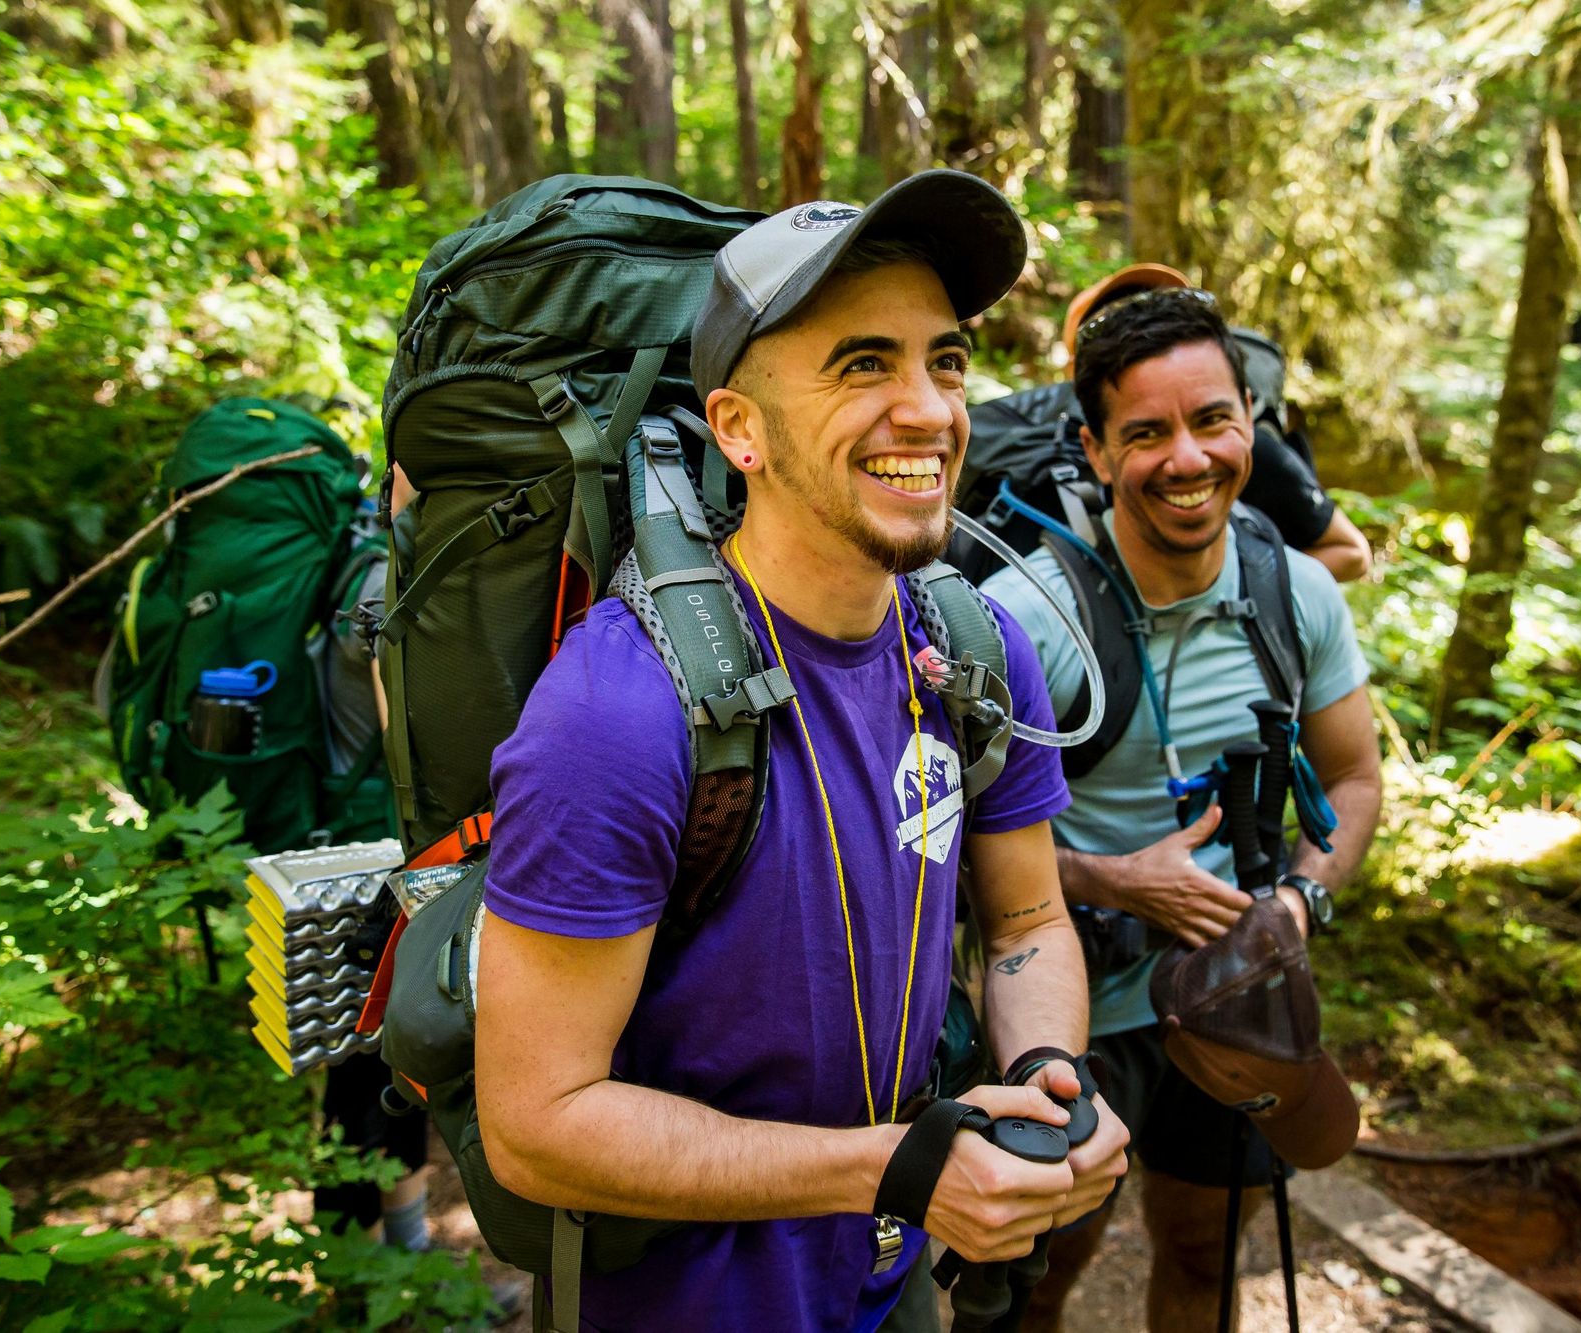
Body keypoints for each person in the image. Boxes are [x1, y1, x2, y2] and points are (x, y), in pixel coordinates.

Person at [470, 171, 1130, 1331]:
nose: (927, 409)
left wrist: (1037, 1082)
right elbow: (537, 1122)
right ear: (737, 427)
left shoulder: (974, 650)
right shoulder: (618, 714)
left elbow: (1027, 923)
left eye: (946, 359)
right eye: (861, 364)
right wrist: (889, 1170)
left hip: (894, 1271)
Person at [982, 285, 1384, 1333]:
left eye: (1211, 420)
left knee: (1207, 1251)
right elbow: (933, 839)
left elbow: (1353, 779)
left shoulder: (1295, 592)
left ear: (1249, 421)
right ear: (1095, 449)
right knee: (1036, 1275)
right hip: (1069, 1010)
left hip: (1238, 988)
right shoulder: (1027, 620)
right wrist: (1106, 878)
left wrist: (1299, 897)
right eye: (1146, 432)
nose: (1188, 458)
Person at [1061, 264, 1373, 585]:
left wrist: (1247, 595)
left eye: (1161, 305)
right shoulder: (1048, 469)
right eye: (1106, 326)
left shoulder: (1246, 447)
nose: (1145, 330)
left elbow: (1351, 553)